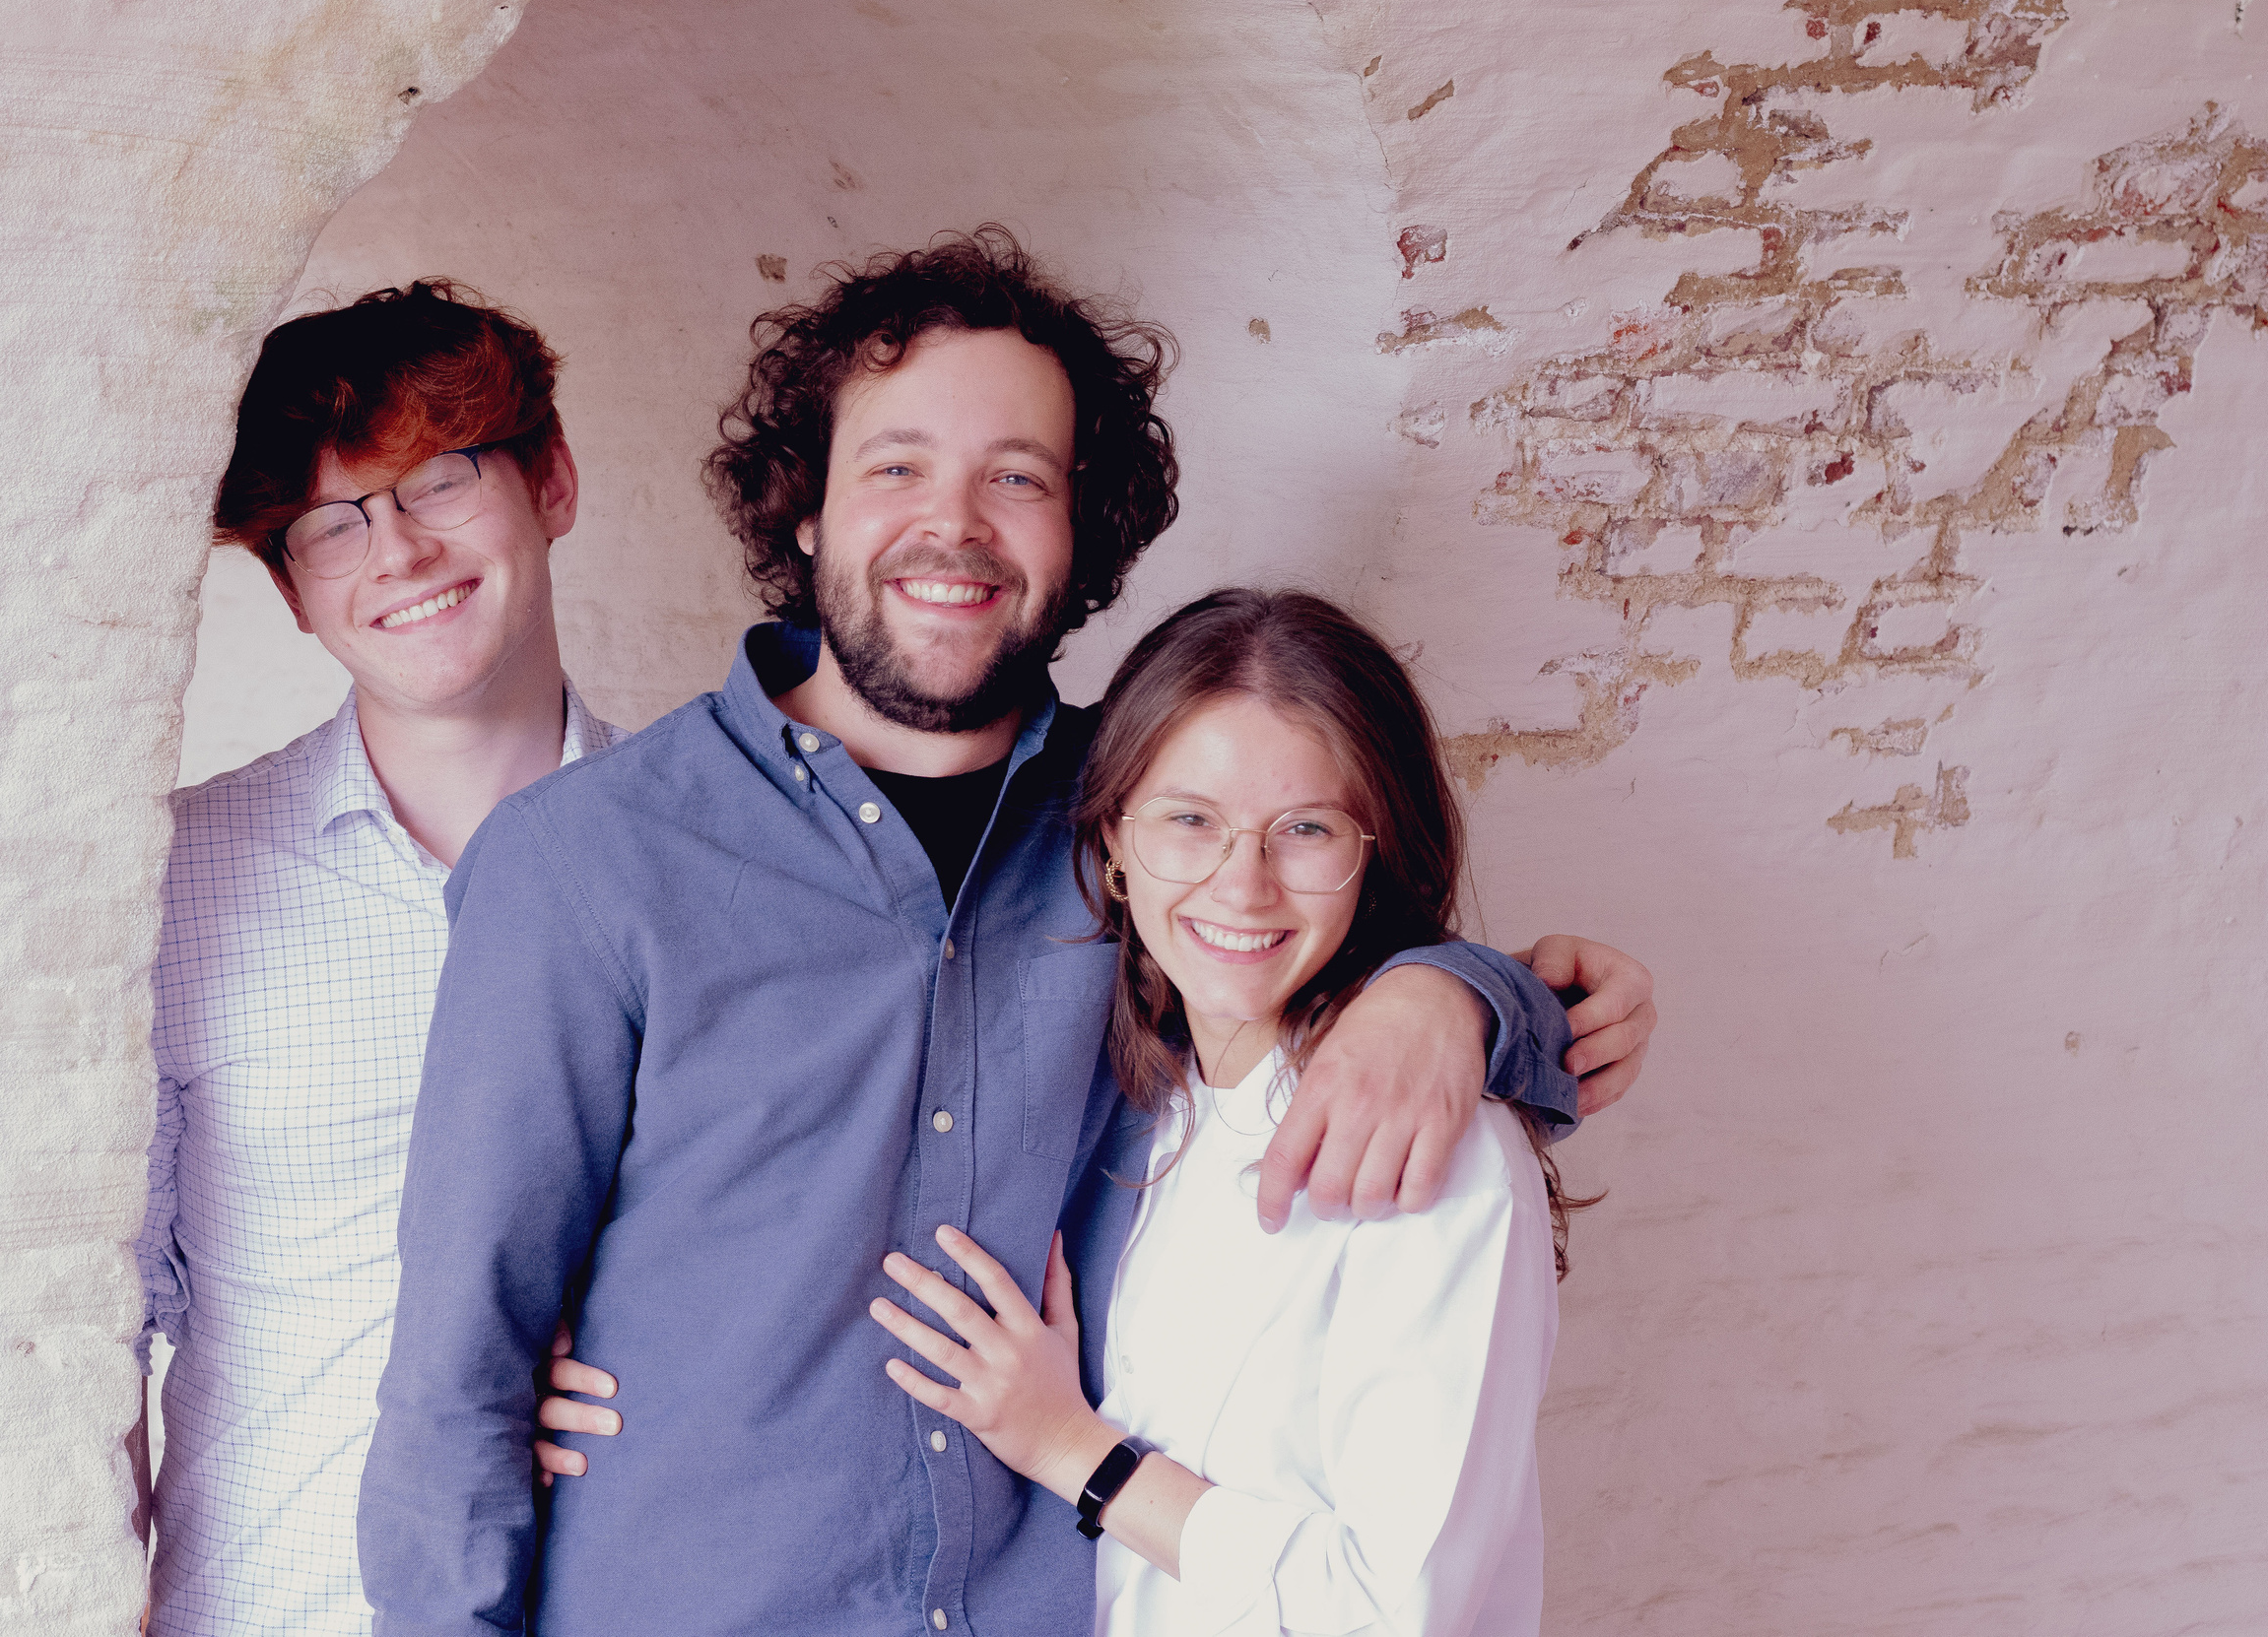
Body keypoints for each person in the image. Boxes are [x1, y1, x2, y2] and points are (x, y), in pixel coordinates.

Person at [360, 229, 1654, 1636]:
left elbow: (1318, 924)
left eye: (1017, 478)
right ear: (804, 507)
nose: (954, 524)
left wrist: (1455, 993)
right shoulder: (583, 860)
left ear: (1081, 526)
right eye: (897, 466)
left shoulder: (1148, 821)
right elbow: (458, 1377)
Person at [872, 588, 1578, 1636]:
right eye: (1188, 820)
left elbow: (1393, 1610)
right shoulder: (1151, 1106)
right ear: (1114, 839)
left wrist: (1070, 1449)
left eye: (1303, 829)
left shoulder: (1429, 1143)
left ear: (1374, 848)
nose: (1239, 886)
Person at [133, 281, 624, 1636]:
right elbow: (87, 1334)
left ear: (554, 481)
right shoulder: (177, 884)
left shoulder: (710, 864)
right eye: (330, 523)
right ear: (292, 590)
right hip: (275, 1602)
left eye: (437, 480)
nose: (395, 551)